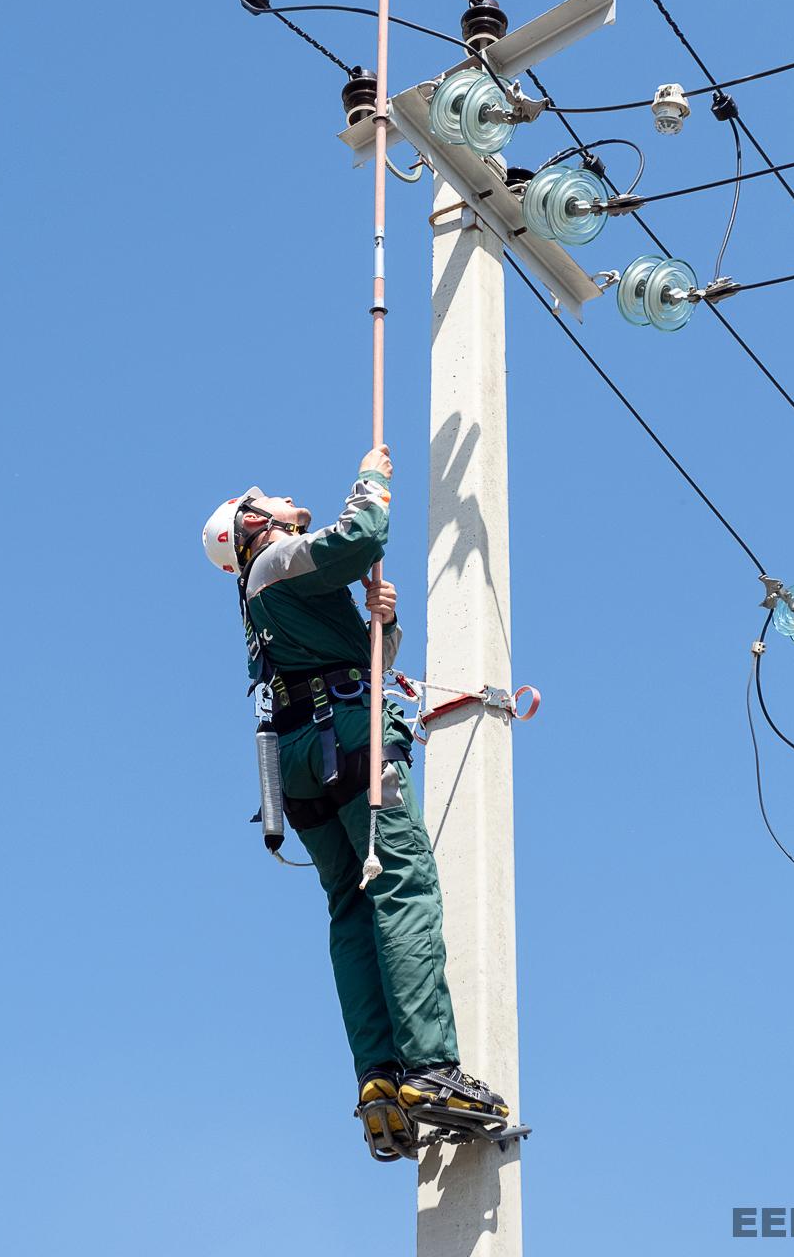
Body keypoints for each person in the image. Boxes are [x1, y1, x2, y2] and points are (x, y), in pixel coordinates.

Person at [202, 445, 507, 1153]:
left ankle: (379, 1077)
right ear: (252, 525)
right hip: (348, 740)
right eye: (264, 496)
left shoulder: (266, 598)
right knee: (401, 887)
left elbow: (364, 664)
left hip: (300, 762)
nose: (278, 494)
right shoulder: (275, 562)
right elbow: (361, 535)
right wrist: (372, 478)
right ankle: (431, 1068)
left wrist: (383, 626)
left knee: (352, 907)